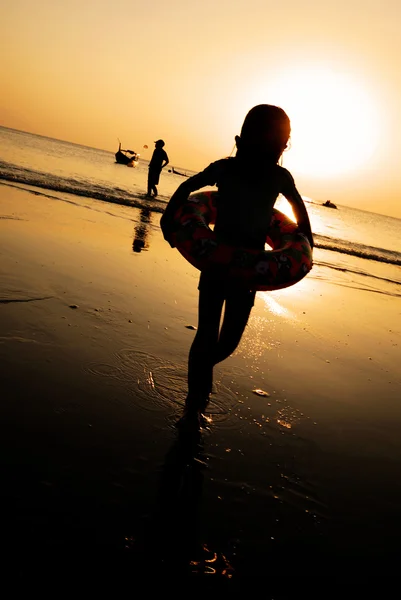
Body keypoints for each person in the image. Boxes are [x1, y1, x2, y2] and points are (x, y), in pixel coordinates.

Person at [160, 104, 314, 430]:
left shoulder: (279, 176)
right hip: (216, 266)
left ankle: (201, 372)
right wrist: (167, 218)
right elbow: (189, 187)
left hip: (250, 272)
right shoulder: (225, 169)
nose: (280, 148)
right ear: (243, 140)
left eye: (283, 143)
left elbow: (299, 211)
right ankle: (195, 400)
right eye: (277, 142)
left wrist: (306, 246)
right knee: (206, 332)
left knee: (228, 341)